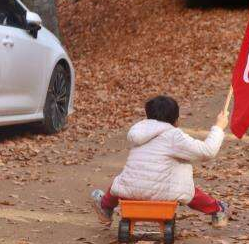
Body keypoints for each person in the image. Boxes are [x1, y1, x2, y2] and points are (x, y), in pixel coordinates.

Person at [91, 95, 230, 229]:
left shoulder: (139, 132)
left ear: (148, 115)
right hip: (165, 195)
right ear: (176, 120)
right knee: (188, 191)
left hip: (131, 192)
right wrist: (219, 127)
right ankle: (217, 209)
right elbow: (208, 151)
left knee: (121, 182)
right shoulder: (174, 135)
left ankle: (105, 208)